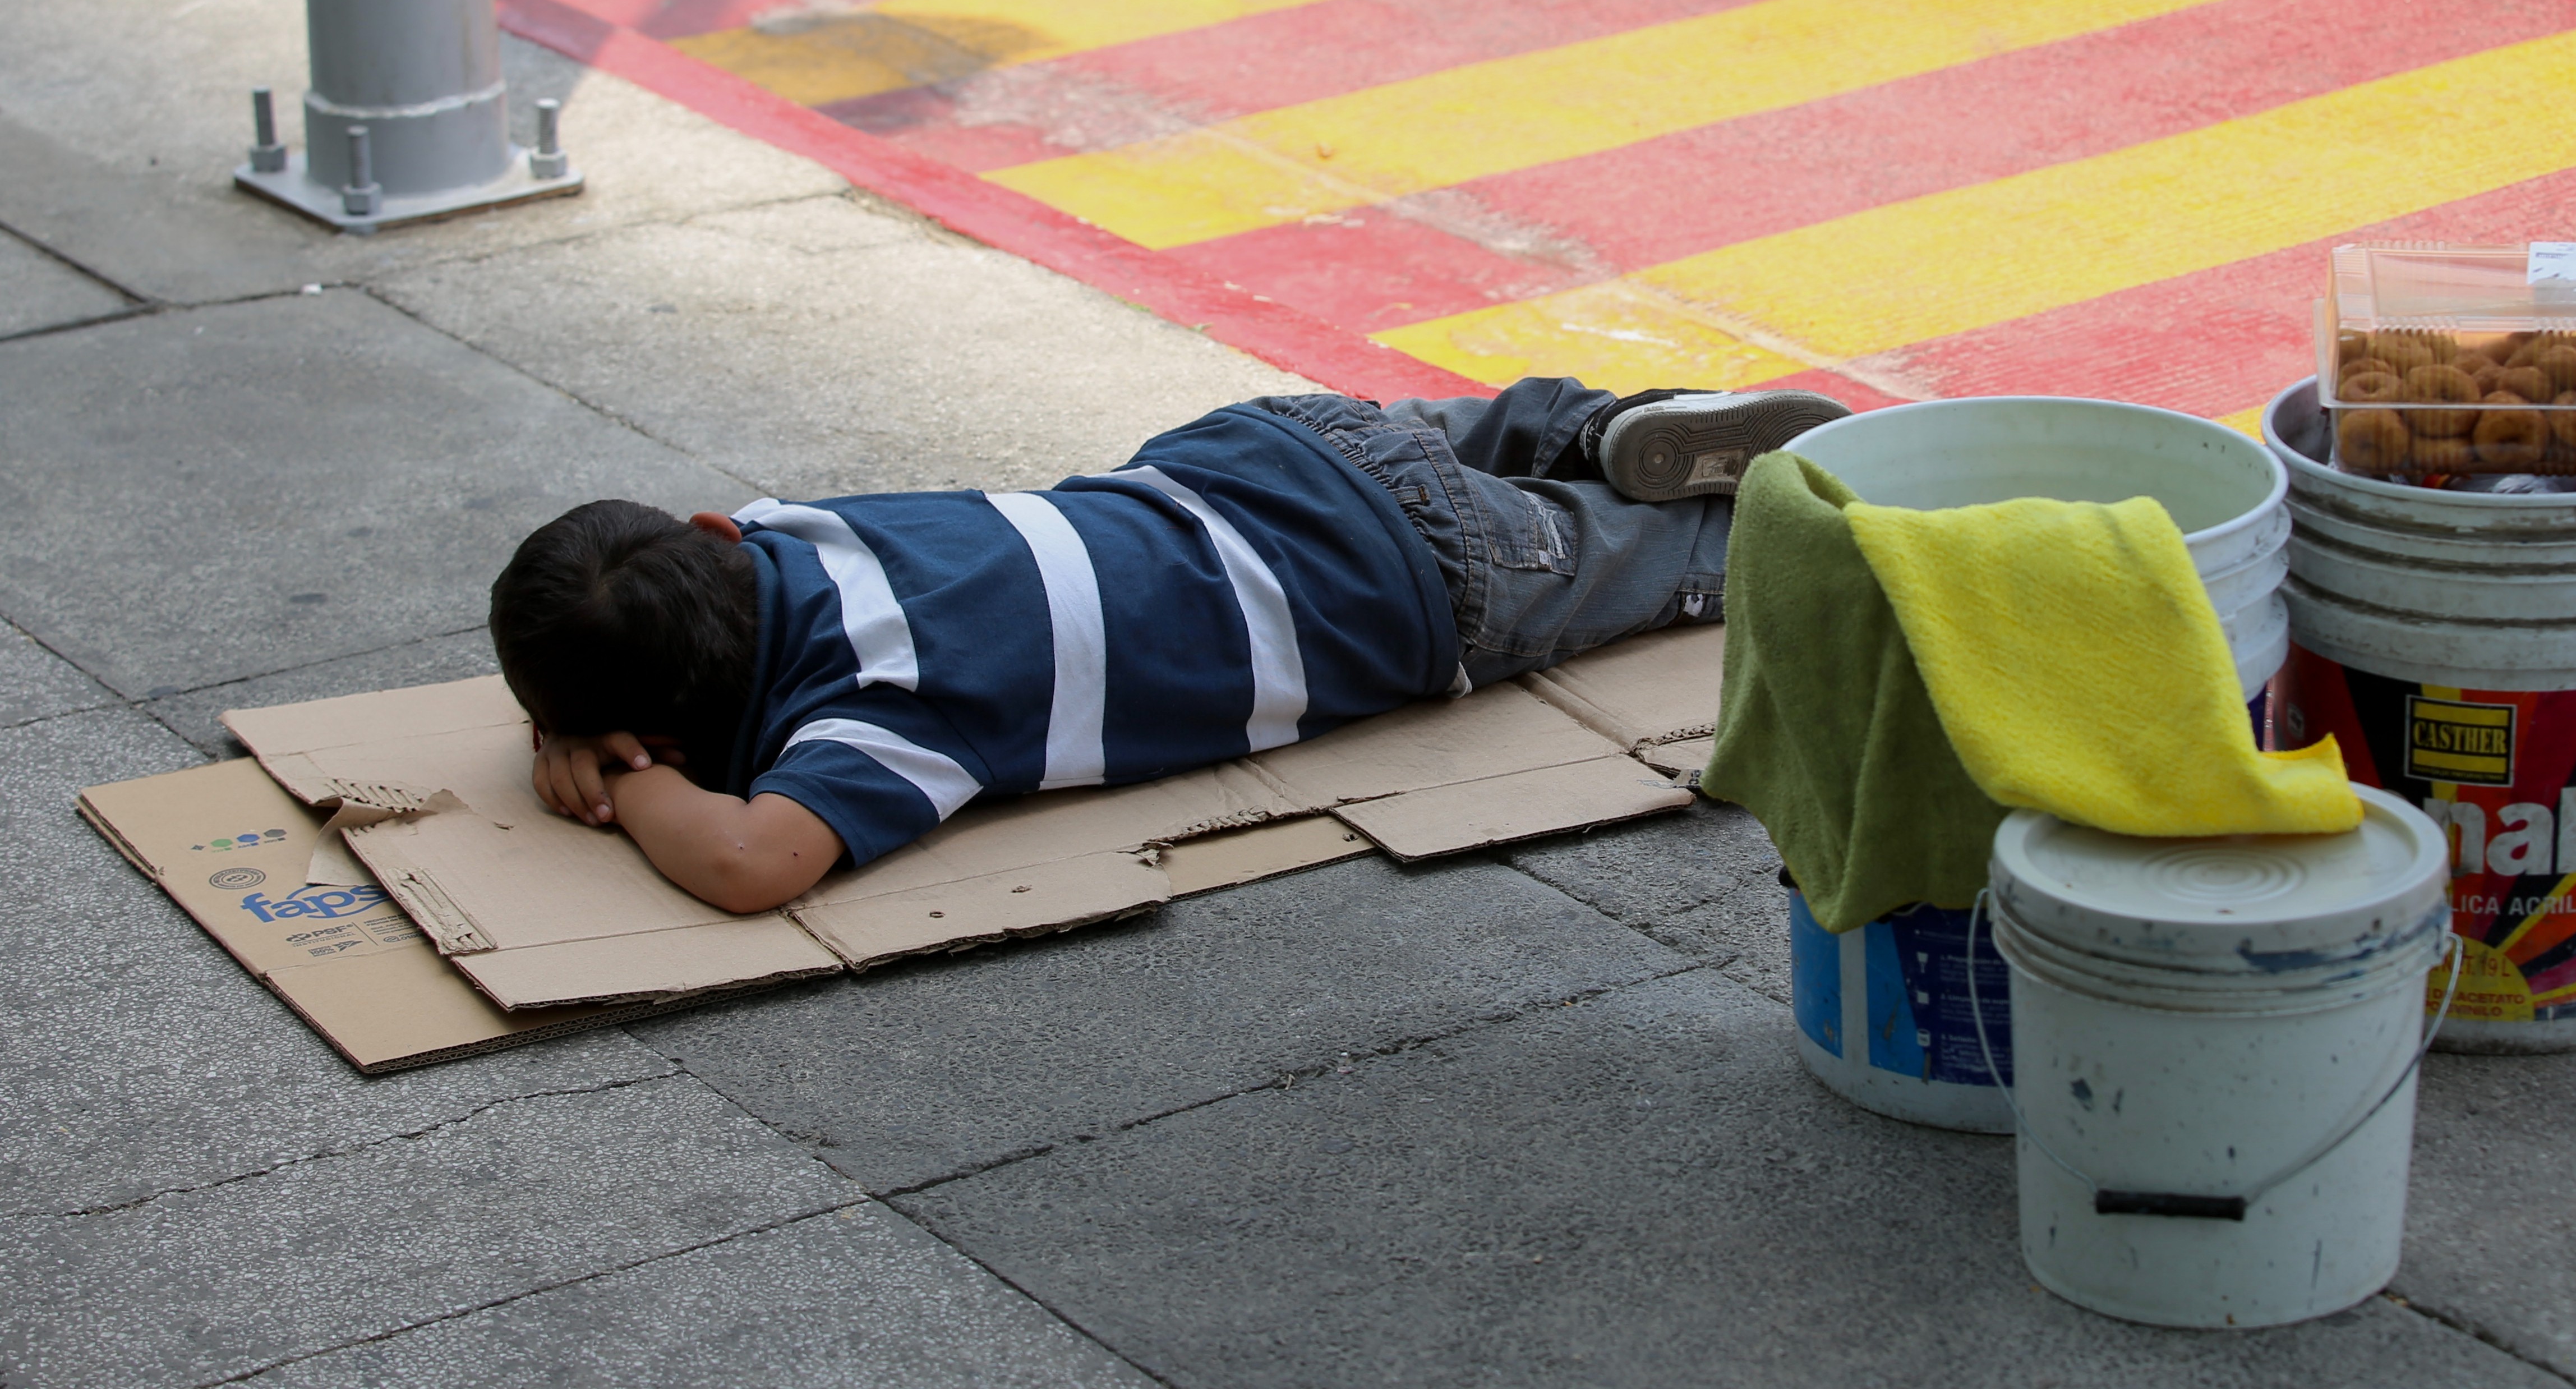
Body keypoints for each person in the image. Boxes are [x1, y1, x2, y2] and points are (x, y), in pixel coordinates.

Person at [487, 379, 1848, 914]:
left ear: (662, 736)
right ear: (716, 535)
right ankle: (1597, 424)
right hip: (1264, 447)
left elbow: (745, 863)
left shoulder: (879, 714)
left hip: (1401, 586)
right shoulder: (793, 531)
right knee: (1479, 434)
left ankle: (1721, 509)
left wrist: (621, 778)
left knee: (1666, 557)